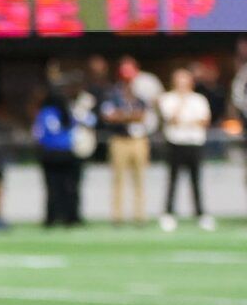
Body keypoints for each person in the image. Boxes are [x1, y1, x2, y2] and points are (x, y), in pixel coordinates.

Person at [101, 57, 160, 226]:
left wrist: (123, 116)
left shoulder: (140, 96)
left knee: (139, 179)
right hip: (120, 140)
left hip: (138, 140)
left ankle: (139, 216)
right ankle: (117, 217)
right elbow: (109, 116)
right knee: (118, 179)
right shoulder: (112, 94)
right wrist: (127, 117)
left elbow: (143, 116)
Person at [157, 68, 213, 232]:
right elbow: (173, 119)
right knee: (173, 180)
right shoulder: (168, 98)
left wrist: (186, 121)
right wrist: (182, 101)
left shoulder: (199, 99)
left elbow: (204, 121)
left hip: (194, 143)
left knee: (196, 180)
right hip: (176, 143)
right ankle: (168, 213)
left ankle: (200, 214)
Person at [33, 82, 91, 228]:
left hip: (49, 154)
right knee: (70, 187)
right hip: (66, 153)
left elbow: (38, 134)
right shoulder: (67, 111)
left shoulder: (44, 113)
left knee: (53, 188)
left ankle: (52, 218)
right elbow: (87, 122)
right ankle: (71, 217)